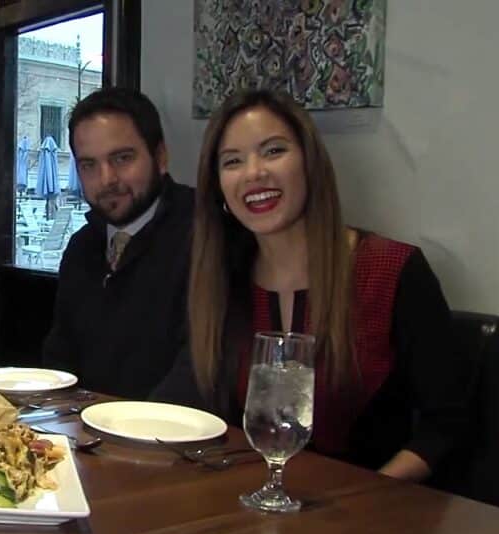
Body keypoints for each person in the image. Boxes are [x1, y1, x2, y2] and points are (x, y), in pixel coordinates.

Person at [176, 88, 467, 480]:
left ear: (311, 163)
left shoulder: (392, 268)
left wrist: (370, 495)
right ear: (220, 188)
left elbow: (446, 426)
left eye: (274, 151)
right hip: (248, 509)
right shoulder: (222, 280)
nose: (254, 172)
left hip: (374, 517)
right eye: (232, 161)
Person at [42, 87, 196, 400]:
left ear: (161, 157)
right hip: (83, 437)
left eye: (122, 158)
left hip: (170, 439)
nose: (106, 179)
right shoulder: (82, 248)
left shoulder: (204, 237)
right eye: (89, 165)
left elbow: (197, 376)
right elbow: (59, 364)